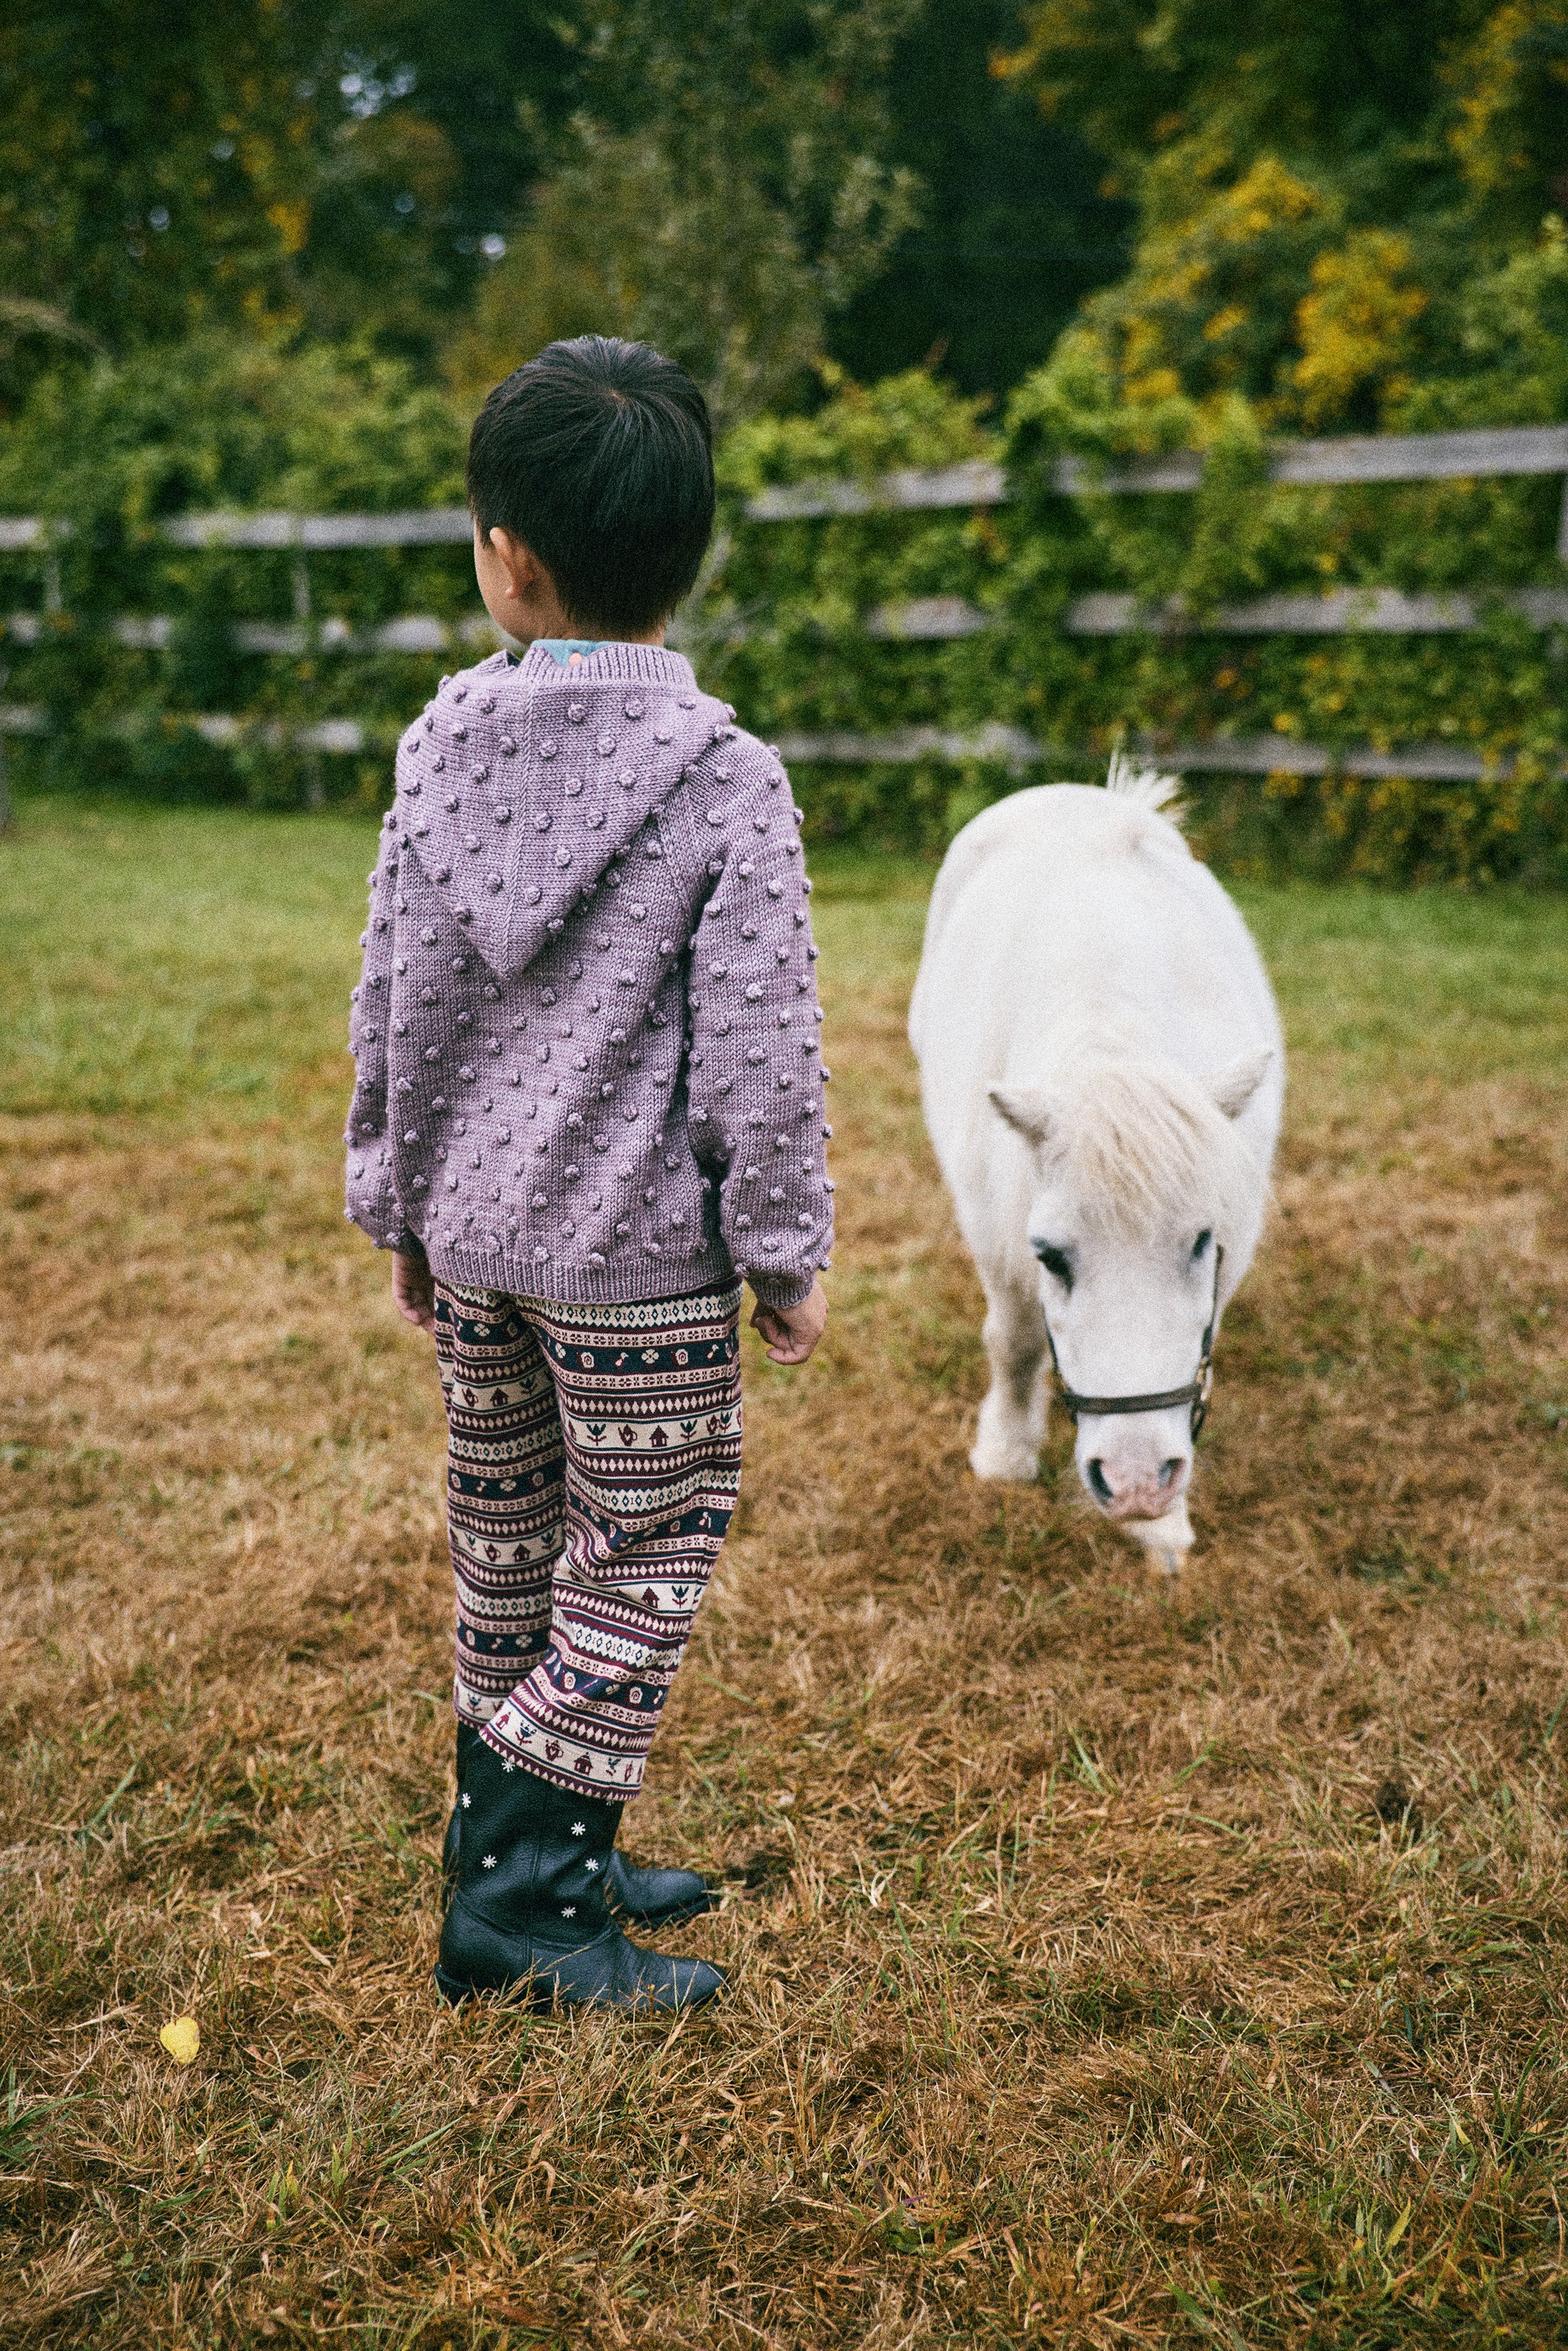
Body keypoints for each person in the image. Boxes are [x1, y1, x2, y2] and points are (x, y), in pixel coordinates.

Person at [344, 336, 832, 2015]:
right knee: (637, 1560)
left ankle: (543, 1846)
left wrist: (398, 1204)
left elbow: (393, 997)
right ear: (686, 560)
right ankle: (524, 1912)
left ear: (508, 557)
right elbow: (758, 1050)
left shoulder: (435, 747)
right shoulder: (724, 777)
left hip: (477, 1242)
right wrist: (780, 1248)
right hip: (634, 1269)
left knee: (509, 1549)